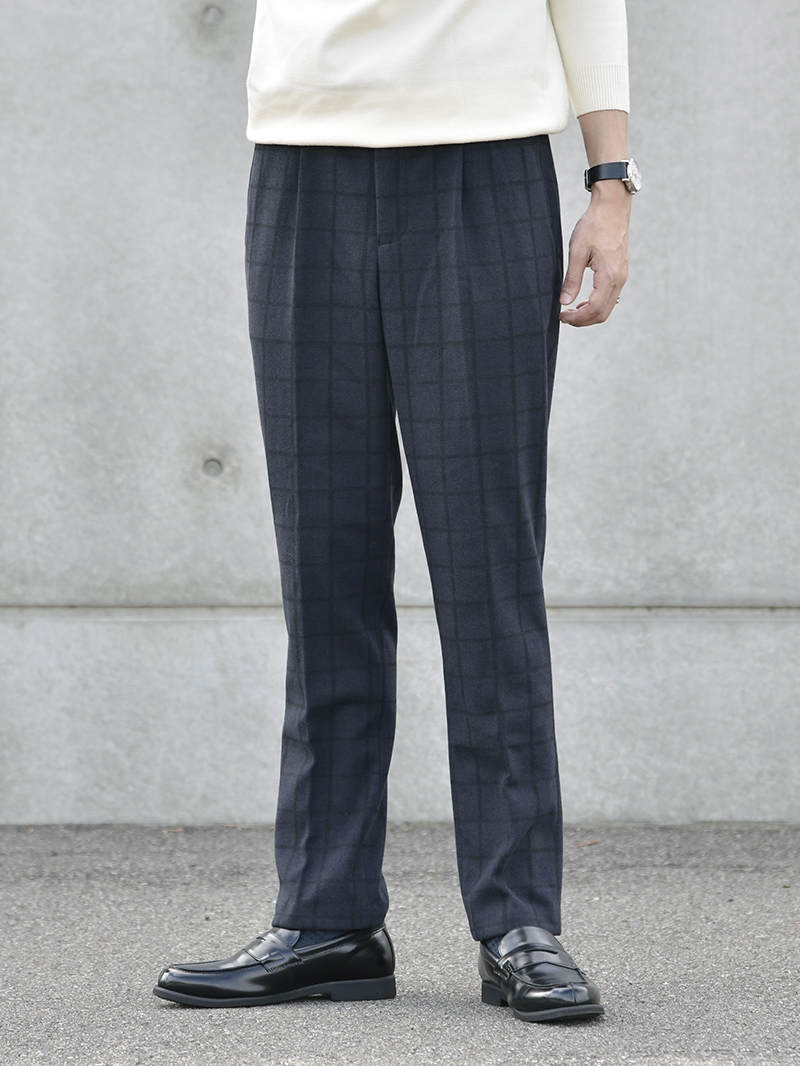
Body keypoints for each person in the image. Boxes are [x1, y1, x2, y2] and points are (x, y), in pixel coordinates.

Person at [153, 0, 638, 1024]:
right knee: (323, 568)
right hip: (302, 160)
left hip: (482, 162)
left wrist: (610, 181)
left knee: (486, 573)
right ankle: (325, 917)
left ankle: (519, 922)